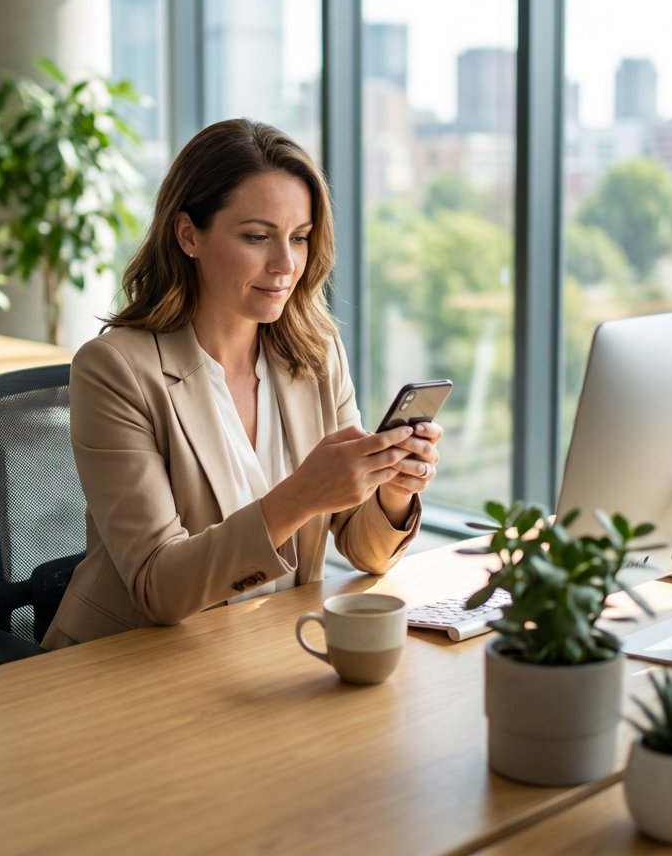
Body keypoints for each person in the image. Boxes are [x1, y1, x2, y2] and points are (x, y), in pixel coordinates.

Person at [42, 118, 443, 648]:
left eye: (299, 238)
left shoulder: (315, 355)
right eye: (258, 237)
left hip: (272, 649)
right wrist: (299, 497)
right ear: (188, 235)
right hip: (135, 663)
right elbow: (158, 587)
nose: (285, 264)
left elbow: (365, 551)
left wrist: (392, 490)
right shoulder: (115, 370)